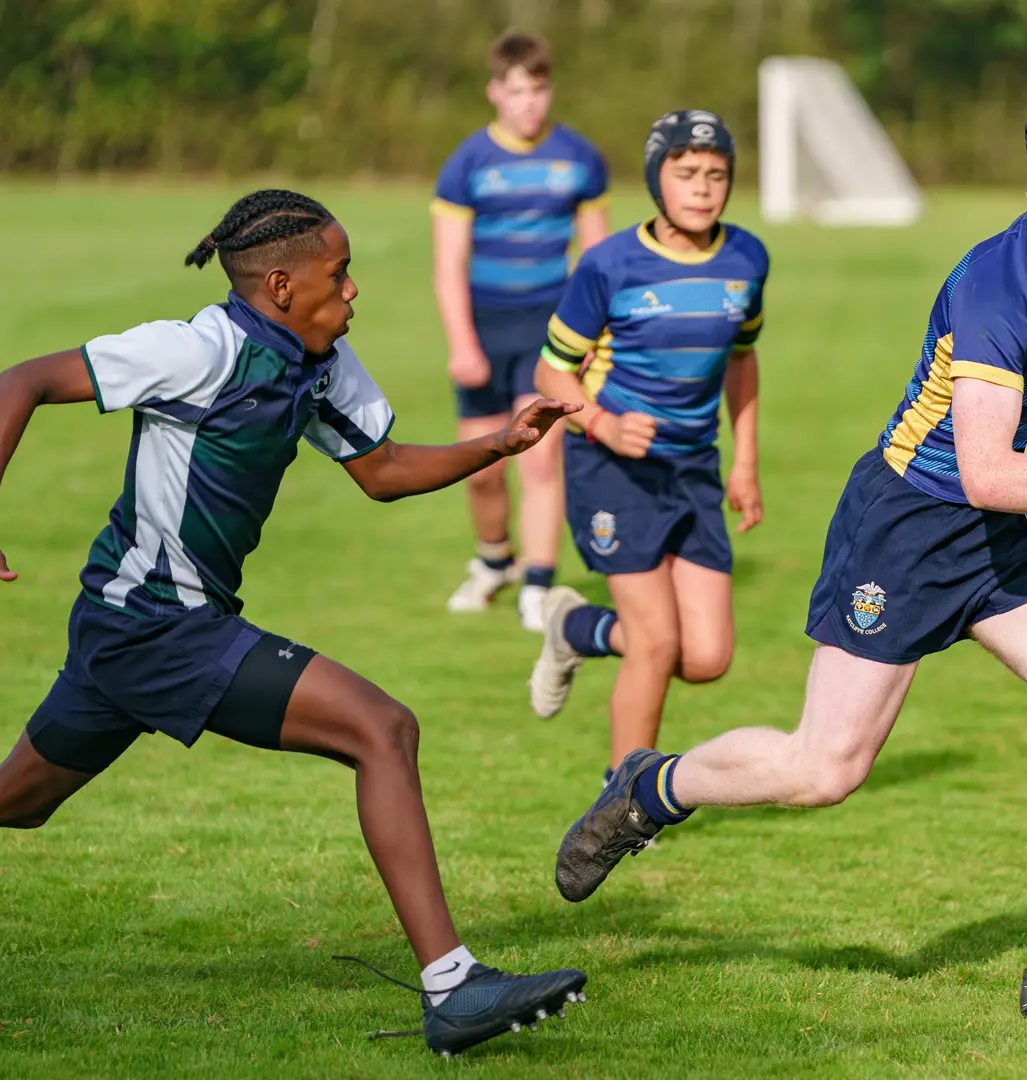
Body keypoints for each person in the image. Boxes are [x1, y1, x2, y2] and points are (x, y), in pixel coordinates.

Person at [551, 79, 1027, 1020]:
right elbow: (988, 470)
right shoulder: (998, 283)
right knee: (824, 770)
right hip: (913, 521)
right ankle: (654, 785)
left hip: (1015, 531)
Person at [0, 190, 588, 1059]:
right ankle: (453, 987)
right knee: (381, 729)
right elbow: (25, 379)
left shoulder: (320, 363)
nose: (353, 292)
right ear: (280, 284)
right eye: (339, 275)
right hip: (158, 626)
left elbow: (381, 468)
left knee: (18, 803)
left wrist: (498, 444)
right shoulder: (197, 350)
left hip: (131, 629)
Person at [528, 110, 766, 780]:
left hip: (694, 467)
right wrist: (599, 423)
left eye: (716, 176)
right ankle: (624, 795)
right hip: (611, 467)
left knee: (707, 657)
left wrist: (745, 460)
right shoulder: (609, 265)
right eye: (686, 174)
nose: (703, 188)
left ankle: (576, 631)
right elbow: (552, 369)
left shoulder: (747, 259)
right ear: (656, 180)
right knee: (657, 641)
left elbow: (743, 360)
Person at [432, 29, 610, 630]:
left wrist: (594, 340)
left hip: (548, 330)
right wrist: (462, 343)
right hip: (484, 328)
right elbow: (448, 263)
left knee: (538, 463)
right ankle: (493, 563)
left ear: (548, 91)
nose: (529, 103)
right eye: (517, 91)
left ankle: (538, 581)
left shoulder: (580, 159)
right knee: (483, 468)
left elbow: (598, 262)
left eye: (538, 90)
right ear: (494, 93)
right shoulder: (467, 164)